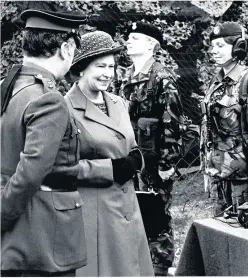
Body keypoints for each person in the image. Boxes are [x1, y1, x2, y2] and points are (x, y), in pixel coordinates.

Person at [1, 9, 87, 276]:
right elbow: (30, 174)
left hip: (19, 236)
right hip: (41, 237)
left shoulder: (8, 85)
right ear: (66, 48)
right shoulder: (47, 98)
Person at [65, 30, 154, 277]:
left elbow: (129, 145)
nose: (108, 73)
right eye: (100, 66)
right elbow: (58, 166)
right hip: (95, 213)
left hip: (127, 206)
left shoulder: (118, 102)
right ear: (81, 68)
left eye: (112, 67)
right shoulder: (64, 108)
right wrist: (109, 169)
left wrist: (138, 158)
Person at [120, 21, 184, 276]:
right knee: (131, 212)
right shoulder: (124, 76)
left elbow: (173, 123)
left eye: (135, 38)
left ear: (151, 44)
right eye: (129, 37)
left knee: (156, 216)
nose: (128, 41)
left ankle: (159, 268)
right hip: (129, 161)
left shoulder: (162, 78)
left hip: (154, 164)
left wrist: (168, 164)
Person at [200, 22, 248, 214]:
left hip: (243, 182)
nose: (213, 51)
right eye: (212, 46)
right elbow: (208, 129)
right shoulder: (216, 83)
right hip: (220, 177)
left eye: (220, 46)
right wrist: (207, 168)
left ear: (238, 48)